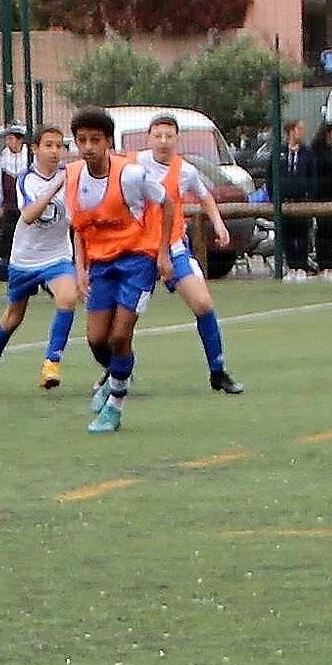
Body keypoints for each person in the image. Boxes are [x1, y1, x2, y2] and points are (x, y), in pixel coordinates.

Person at [64, 105, 168, 427]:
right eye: (82, 140)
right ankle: (118, 374)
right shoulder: (72, 177)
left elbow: (167, 204)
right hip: (101, 264)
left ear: (108, 141)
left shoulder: (131, 175)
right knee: (97, 339)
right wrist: (80, 270)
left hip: (138, 260)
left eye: (95, 140)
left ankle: (115, 405)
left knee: (120, 336)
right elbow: (79, 228)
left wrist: (163, 254)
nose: (88, 147)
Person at [0, 123, 85, 396]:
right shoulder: (26, 179)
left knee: (67, 298)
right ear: (35, 149)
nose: (54, 151)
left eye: (59, 146)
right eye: (48, 145)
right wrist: (55, 187)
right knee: (13, 317)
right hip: (25, 259)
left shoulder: (70, 178)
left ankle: (52, 363)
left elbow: (79, 219)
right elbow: (28, 215)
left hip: (57, 256)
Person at [142, 120, 246, 394]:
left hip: (174, 248)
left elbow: (205, 196)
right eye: (158, 135)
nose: (163, 141)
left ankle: (218, 371)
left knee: (203, 304)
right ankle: (115, 373)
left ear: (177, 140)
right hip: (139, 250)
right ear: (148, 139)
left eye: (169, 136)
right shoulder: (134, 165)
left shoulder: (185, 171)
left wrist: (219, 224)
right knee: (125, 317)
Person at [282, 120, 332, 274]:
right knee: (323, 232)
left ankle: (330, 264)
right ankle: (322, 264)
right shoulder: (317, 151)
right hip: (324, 198)